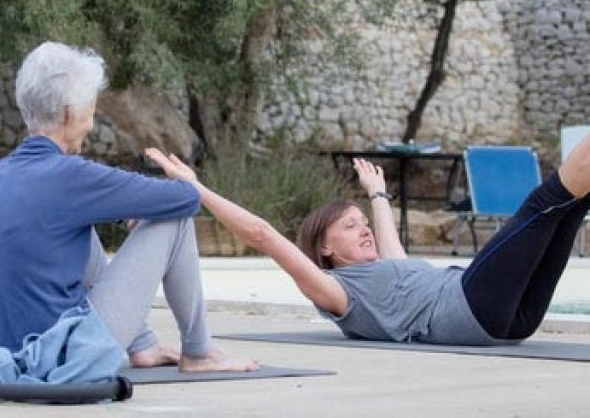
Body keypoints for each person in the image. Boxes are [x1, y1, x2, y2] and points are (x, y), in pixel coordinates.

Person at [0, 41, 257, 372]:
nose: (91, 124)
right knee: (175, 220)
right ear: (68, 113)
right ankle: (199, 351)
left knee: (78, 226)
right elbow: (184, 199)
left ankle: (143, 345)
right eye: (90, 112)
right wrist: (187, 179)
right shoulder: (70, 175)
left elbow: (62, 206)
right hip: (57, 357)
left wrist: (123, 210)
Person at [145, 135, 590, 345]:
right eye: (348, 226)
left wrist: (376, 193)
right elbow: (262, 234)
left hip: (513, 323)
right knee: (545, 201)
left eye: (363, 222)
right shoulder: (340, 292)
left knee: (570, 210)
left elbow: (391, 249)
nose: (363, 230)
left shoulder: (390, 277)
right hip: (470, 307)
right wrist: (195, 188)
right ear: (325, 249)